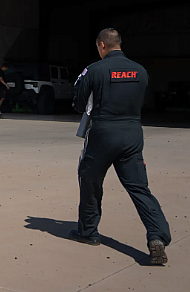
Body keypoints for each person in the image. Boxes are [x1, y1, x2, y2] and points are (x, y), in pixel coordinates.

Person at [70, 28, 171, 265]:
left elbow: (78, 103)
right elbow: (143, 100)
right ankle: (157, 236)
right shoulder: (140, 71)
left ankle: (89, 232)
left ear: (101, 45)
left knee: (90, 180)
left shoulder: (94, 70)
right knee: (139, 188)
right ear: (119, 44)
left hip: (103, 134)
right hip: (132, 134)